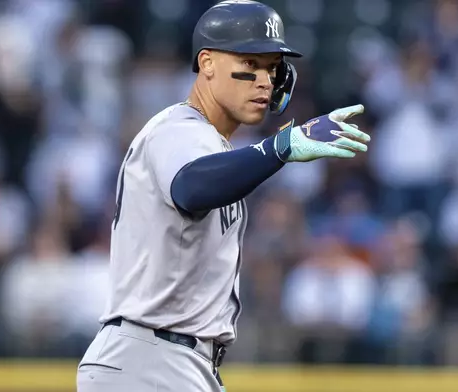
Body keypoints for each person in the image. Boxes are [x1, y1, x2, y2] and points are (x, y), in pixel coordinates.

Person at [76, 1, 370, 391]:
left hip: (175, 360)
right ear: (208, 63)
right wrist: (279, 146)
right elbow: (192, 187)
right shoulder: (177, 129)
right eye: (250, 64)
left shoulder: (214, 148)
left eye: (272, 68)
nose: (265, 80)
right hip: (148, 359)